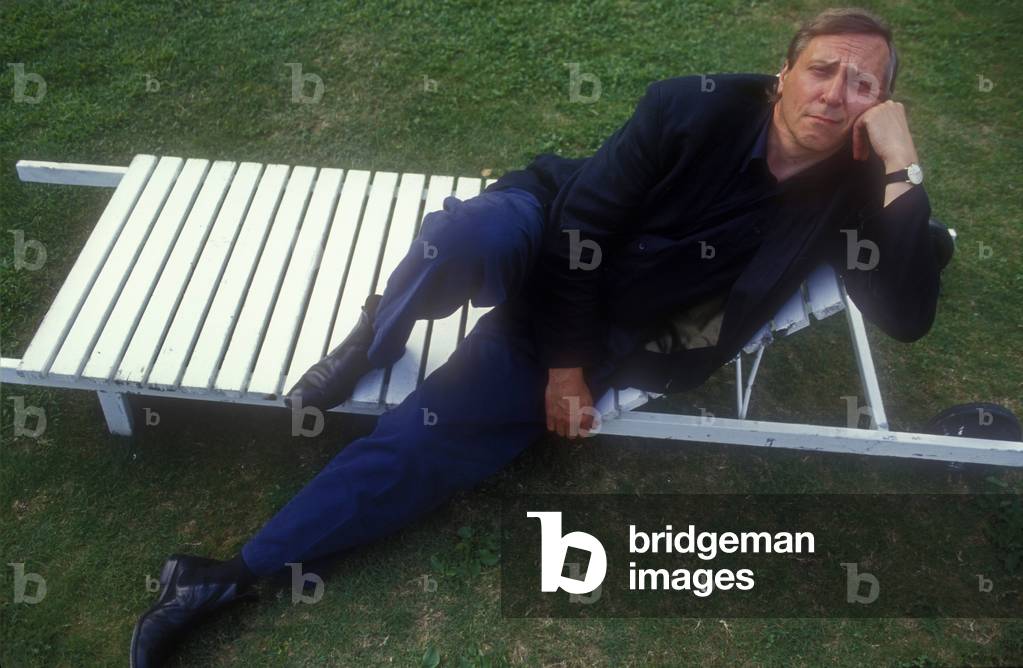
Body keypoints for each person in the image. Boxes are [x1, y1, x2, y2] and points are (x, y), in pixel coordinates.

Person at [130, 7, 940, 665]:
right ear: (783, 74)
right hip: (553, 228)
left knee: (421, 445)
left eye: (861, 84)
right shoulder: (691, 105)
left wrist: (902, 167)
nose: (834, 94)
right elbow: (583, 225)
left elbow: (905, 312)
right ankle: (377, 334)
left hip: (613, 327)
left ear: (878, 108)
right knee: (459, 241)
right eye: (822, 69)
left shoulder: (857, 185)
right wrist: (562, 372)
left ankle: (221, 578)